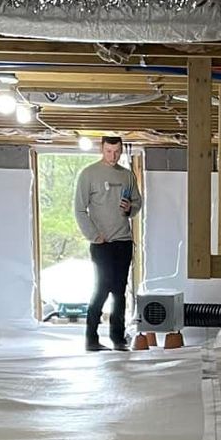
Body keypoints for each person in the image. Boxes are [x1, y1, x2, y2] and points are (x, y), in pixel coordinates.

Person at [73, 135, 143, 351]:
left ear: (121, 150)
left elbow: (137, 203)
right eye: (108, 151)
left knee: (119, 292)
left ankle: (118, 338)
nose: (113, 156)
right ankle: (91, 339)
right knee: (102, 289)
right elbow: (79, 210)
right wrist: (94, 236)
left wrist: (129, 208)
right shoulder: (88, 174)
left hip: (123, 241)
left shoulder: (127, 175)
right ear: (101, 149)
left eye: (117, 152)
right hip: (101, 243)